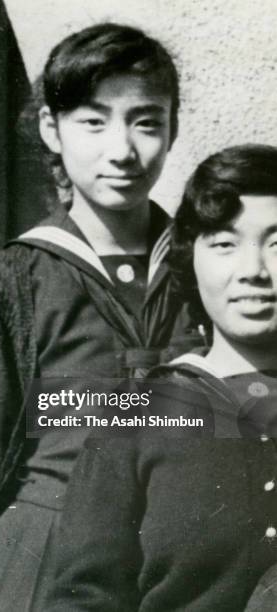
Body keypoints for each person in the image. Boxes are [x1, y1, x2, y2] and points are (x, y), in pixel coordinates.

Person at [0, 23, 201, 612]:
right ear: (52, 128)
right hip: (41, 570)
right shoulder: (7, 287)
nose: (122, 149)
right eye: (93, 122)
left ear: (172, 129)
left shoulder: (211, 274)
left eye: (146, 121)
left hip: (182, 573)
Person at [43, 144, 277, 612]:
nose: (253, 271)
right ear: (192, 259)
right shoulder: (135, 418)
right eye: (224, 244)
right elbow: (82, 598)